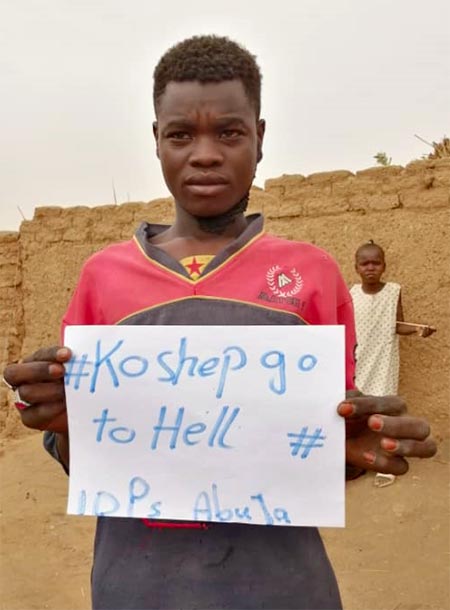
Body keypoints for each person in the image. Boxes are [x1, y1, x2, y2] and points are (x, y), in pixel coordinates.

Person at [2, 36, 437, 610]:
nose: (204, 153)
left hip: (283, 586)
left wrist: (351, 446)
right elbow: (83, 451)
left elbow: (325, 444)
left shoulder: (311, 274)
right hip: (137, 585)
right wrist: (60, 425)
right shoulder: (101, 276)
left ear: (260, 139)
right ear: (156, 141)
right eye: (181, 134)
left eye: (229, 133)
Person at [350, 240, 436, 487]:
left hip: (385, 357)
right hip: (360, 359)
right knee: (358, 407)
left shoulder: (393, 291)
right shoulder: (352, 293)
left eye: (376, 263)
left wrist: (419, 330)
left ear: (384, 266)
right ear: (356, 268)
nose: (370, 268)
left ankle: (385, 461)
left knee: (384, 409)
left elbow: (397, 324)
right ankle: (359, 459)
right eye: (365, 263)